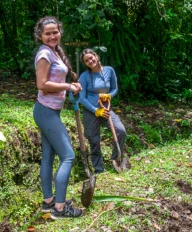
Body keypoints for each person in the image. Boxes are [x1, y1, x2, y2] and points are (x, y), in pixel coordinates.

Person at [33, 16, 83, 219]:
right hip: (46, 112)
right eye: (48, 33)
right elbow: (42, 84)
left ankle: (48, 201)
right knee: (68, 156)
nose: (52, 35)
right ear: (40, 35)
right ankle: (60, 209)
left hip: (48, 111)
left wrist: (73, 85)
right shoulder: (45, 54)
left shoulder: (54, 52)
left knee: (48, 157)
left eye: (55, 32)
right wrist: (67, 86)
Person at [79, 48, 127, 174]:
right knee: (93, 140)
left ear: (96, 56)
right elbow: (81, 98)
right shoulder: (84, 76)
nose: (90, 61)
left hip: (106, 108)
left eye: (91, 57)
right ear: (85, 63)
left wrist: (109, 96)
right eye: (86, 60)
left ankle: (115, 159)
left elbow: (114, 88)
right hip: (91, 111)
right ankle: (99, 169)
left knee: (121, 131)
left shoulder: (109, 70)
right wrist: (95, 110)